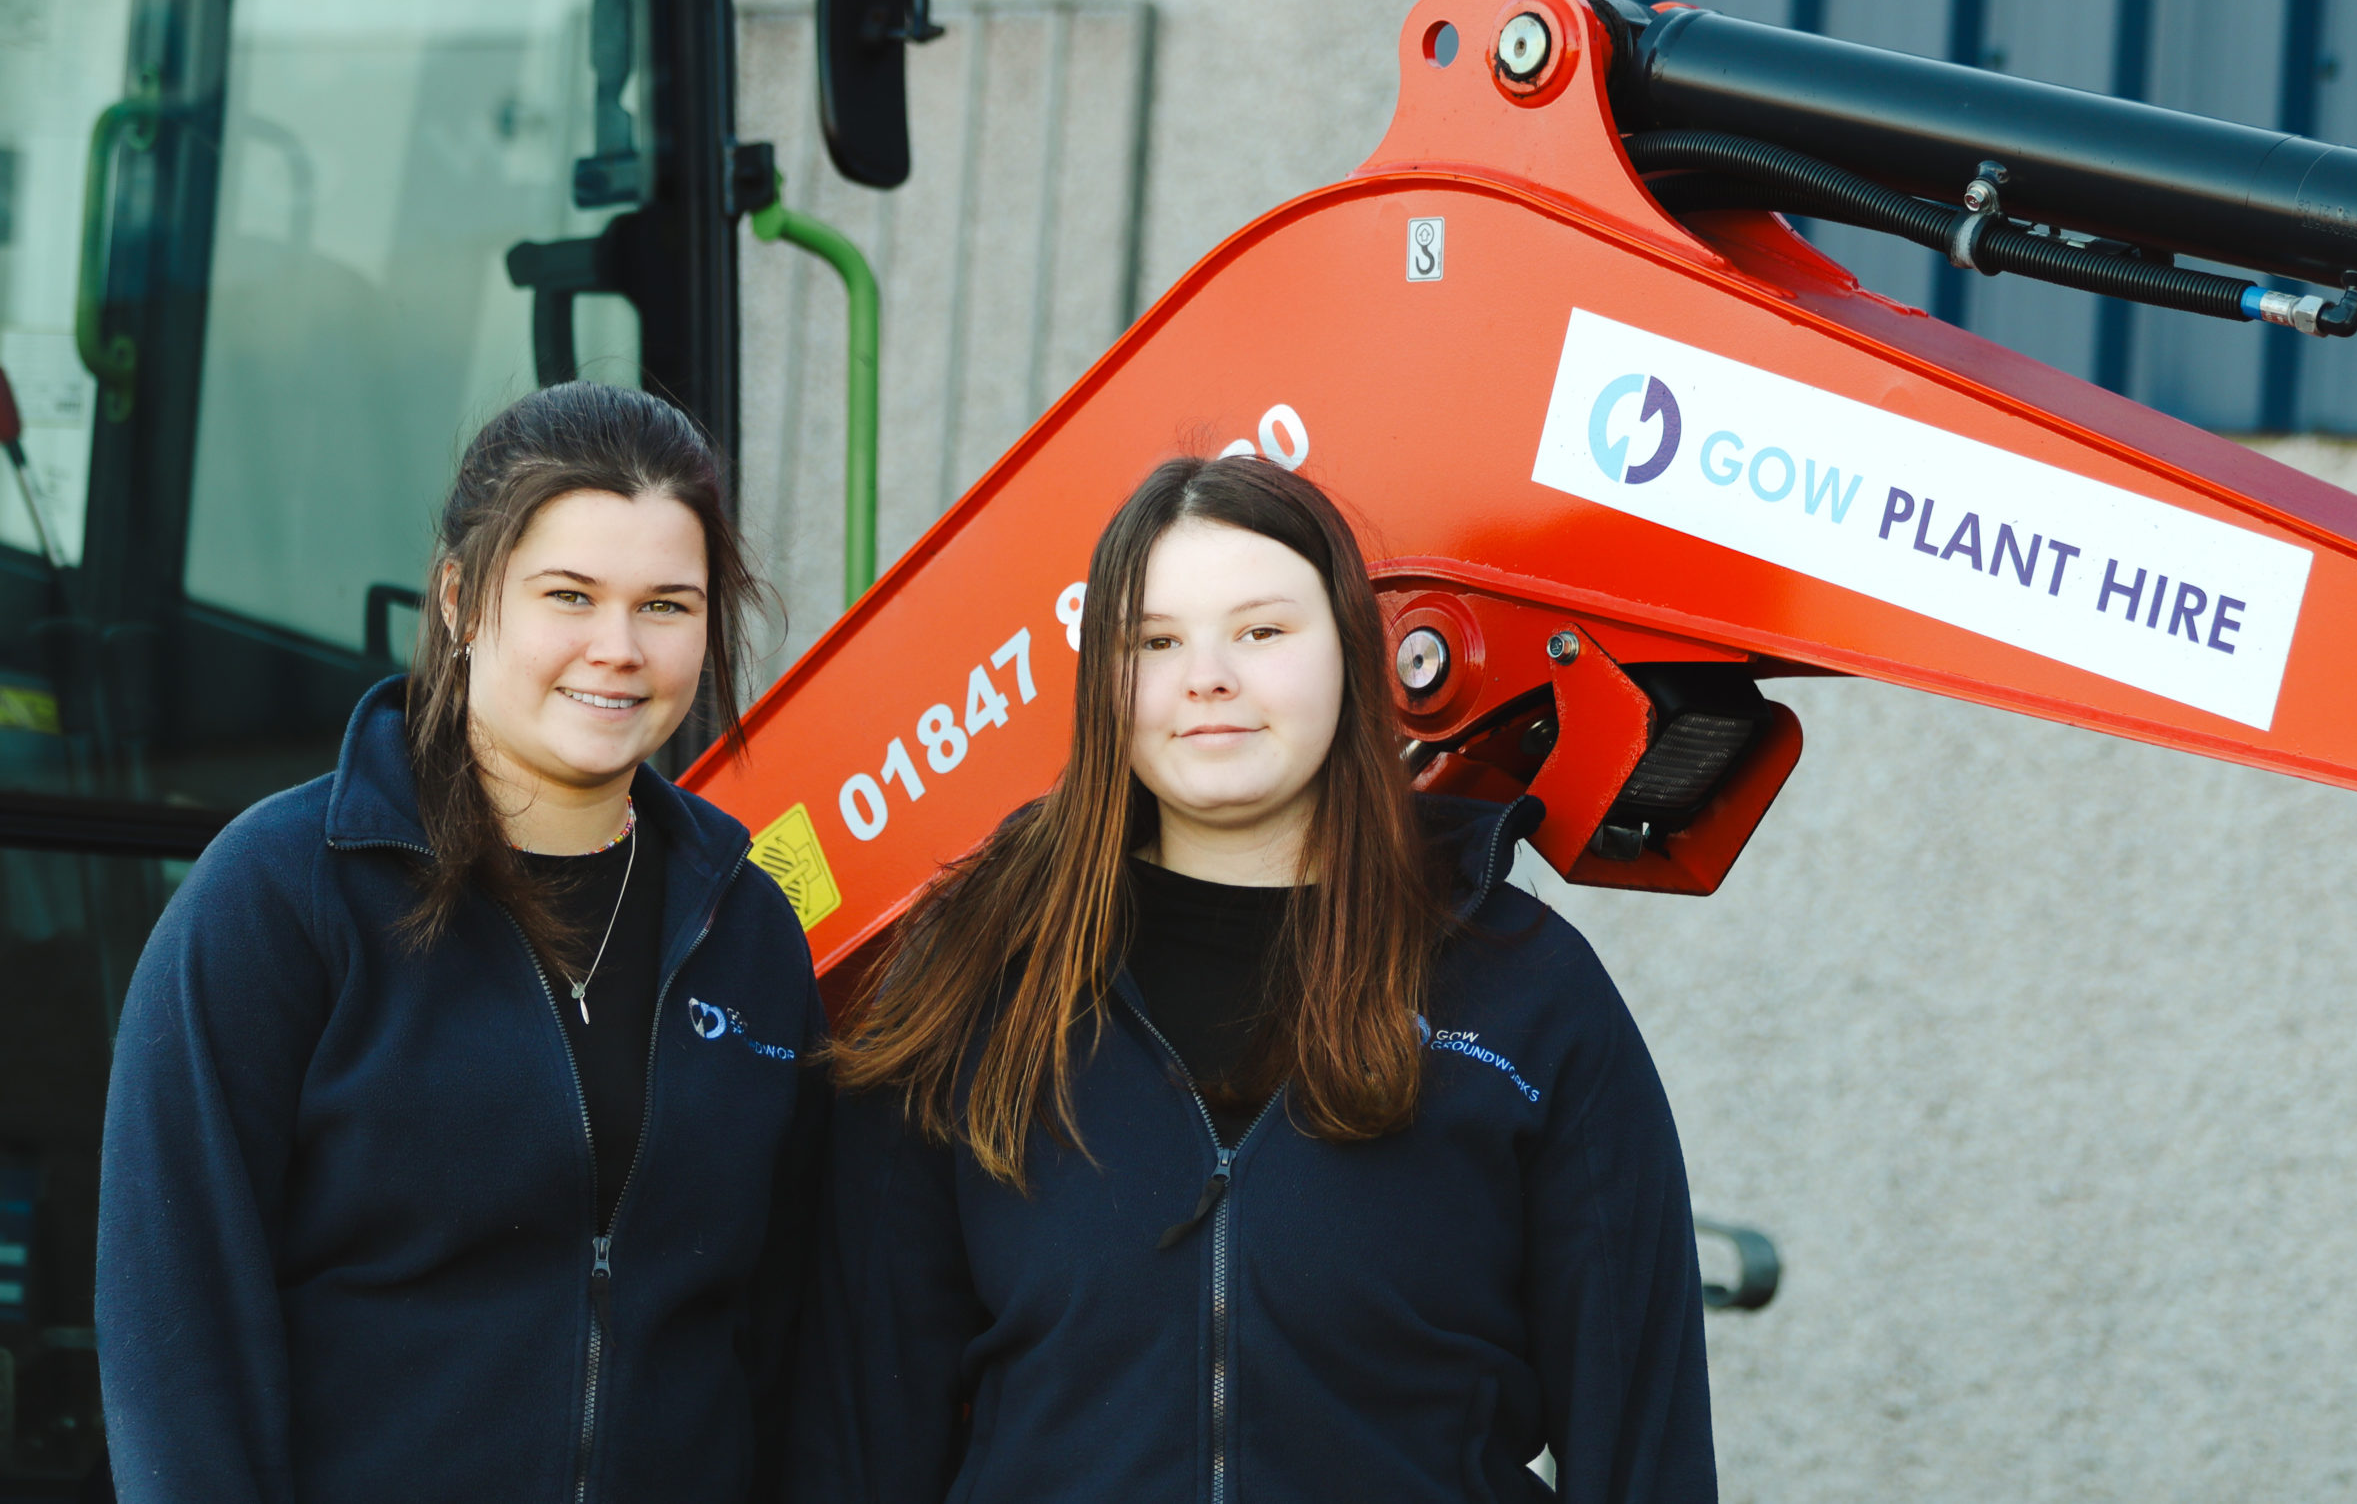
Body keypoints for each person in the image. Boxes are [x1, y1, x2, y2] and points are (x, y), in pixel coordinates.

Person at [792, 454, 1716, 1503]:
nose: (1208, 678)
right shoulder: (973, 978)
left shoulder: (1526, 993)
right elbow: (862, 1427)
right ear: (1104, 681)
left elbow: (1644, 1435)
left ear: (1351, 656)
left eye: (1262, 632)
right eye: (1155, 641)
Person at [97, 382, 825, 1504]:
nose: (617, 649)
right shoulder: (282, 896)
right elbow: (176, 1334)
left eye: (667, 606)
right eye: (569, 596)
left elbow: (785, 1336)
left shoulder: (747, 928)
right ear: (460, 598)